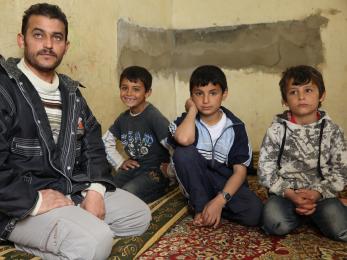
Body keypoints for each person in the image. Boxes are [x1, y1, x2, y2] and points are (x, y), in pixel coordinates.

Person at [0, 3, 151, 259]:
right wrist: (36, 202)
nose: (48, 44)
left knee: (139, 216)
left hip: (71, 190)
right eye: (38, 35)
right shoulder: (6, 90)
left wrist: (95, 191)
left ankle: (69, 232)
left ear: (66, 46)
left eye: (56, 37)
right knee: (96, 242)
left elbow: (93, 146)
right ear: (21, 40)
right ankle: (44, 235)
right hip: (23, 201)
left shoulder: (71, 92)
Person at [258, 65, 347, 241]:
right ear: (284, 100)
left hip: (322, 196)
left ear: (321, 95)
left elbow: (341, 172)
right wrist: (290, 194)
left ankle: (321, 211)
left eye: (308, 90)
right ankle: (305, 215)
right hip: (286, 195)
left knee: (340, 229)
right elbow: (265, 172)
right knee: (273, 223)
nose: (301, 97)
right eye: (293, 92)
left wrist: (317, 193)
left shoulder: (334, 131)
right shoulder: (275, 131)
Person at [167, 65, 263, 228]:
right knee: (183, 153)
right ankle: (200, 206)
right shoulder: (185, 123)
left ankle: (212, 206)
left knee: (254, 214)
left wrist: (220, 201)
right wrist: (191, 111)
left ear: (224, 94)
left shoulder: (235, 126)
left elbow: (240, 172)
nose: (205, 101)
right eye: (199, 94)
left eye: (213, 93)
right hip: (198, 182)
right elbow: (183, 139)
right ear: (191, 96)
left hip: (224, 182)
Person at [103, 66, 170, 203]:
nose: (129, 93)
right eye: (124, 88)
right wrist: (120, 162)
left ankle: (162, 187)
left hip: (155, 171)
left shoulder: (153, 116)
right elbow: (105, 141)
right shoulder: (123, 118)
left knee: (128, 193)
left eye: (136, 89)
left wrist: (170, 170)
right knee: (108, 189)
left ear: (148, 92)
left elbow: (174, 145)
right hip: (135, 168)